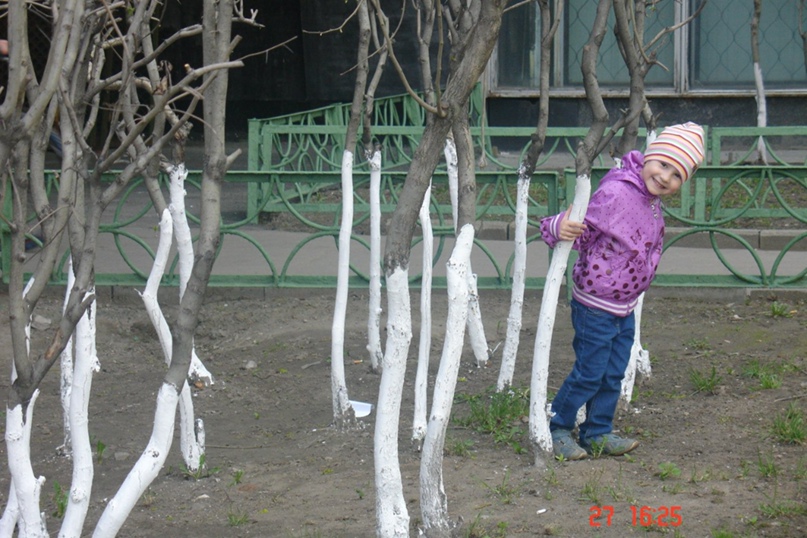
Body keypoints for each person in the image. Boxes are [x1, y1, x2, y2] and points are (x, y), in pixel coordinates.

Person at [541, 122, 705, 460]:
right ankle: (556, 427)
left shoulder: (650, 201)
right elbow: (580, 226)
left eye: (676, 174)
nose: (665, 177)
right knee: (590, 372)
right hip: (595, 302)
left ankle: (597, 432)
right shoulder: (616, 192)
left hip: (624, 305)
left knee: (613, 372)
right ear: (649, 157)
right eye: (663, 164)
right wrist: (559, 226)